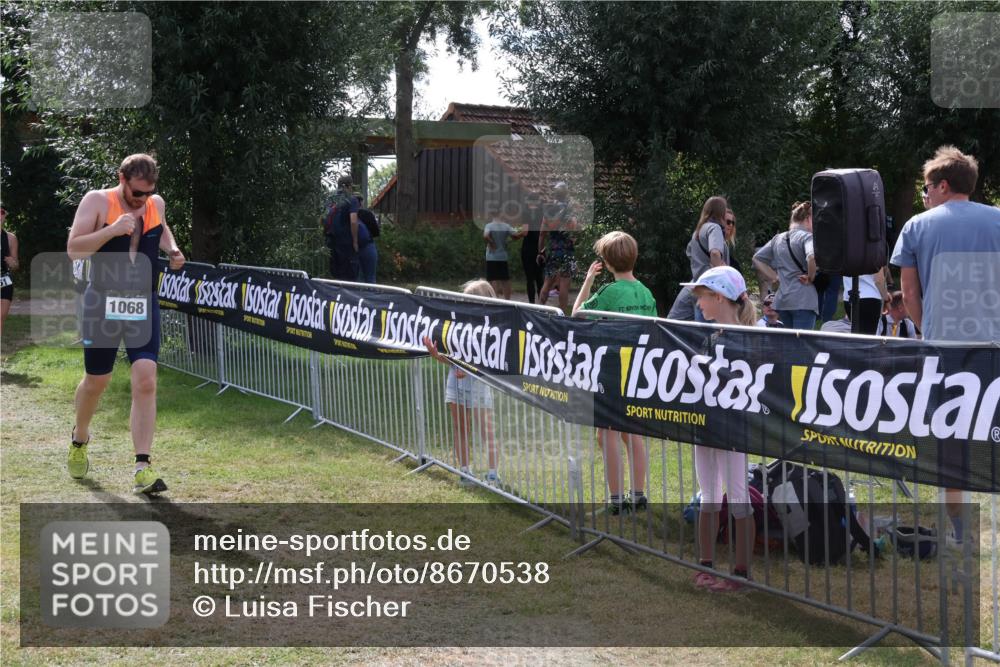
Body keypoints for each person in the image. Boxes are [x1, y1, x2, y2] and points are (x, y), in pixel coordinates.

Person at [890, 145, 1000, 546]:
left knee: (951, 443)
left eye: (926, 188)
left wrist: (925, 328)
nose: (924, 195)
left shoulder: (917, 226)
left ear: (942, 185)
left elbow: (908, 291)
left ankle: (963, 532)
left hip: (943, 349)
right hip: (995, 346)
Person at [65, 153, 185, 494]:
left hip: (142, 301)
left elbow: (163, 232)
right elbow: (74, 249)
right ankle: (79, 438)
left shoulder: (154, 203)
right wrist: (113, 230)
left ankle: (142, 467)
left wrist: (174, 250)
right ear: (122, 179)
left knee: (146, 379)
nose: (142, 200)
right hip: (102, 301)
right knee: (96, 381)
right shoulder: (97, 201)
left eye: (148, 193)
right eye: (136, 193)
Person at [679, 265, 757, 591]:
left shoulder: (752, 337)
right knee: (708, 495)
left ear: (719, 297)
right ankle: (705, 566)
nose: (698, 304)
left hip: (734, 431)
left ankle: (741, 573)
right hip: (706, 426)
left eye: (702, 297)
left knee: (738, 496)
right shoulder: (707, 338)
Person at [572, 231, 655, 514]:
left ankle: (617, 500)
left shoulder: (608, 292)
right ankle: (638, 495)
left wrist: (587, 281)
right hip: (639, 371)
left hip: (611, 372)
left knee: (607, 433)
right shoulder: (646, 292)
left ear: (607, 262)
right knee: (631, 433)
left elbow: (576, 314)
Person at [422, 280, 500, 486]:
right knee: (460, 427)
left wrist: (467, 369)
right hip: (454, 382)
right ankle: (465, 470)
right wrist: (436, 354)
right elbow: (451, 358)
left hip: (479, 383)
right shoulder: (459, 325)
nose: (465, 305)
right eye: (464, 301)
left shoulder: (493, 328)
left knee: (486, 429)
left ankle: (493, 473)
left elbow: (491, 359)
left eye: (470, 301)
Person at [753, 201, 818, 330]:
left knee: (790, 344)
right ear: (808, 219)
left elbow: (757, 259)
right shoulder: (807, 237)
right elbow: (811, 257)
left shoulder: (777, 239)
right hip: (803, 299)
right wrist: (811, 277)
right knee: (802, 345)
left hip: (783, 300)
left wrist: (775, 276)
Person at [668, 199, 735, 322]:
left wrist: (700, 265)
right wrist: (719, 271)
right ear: (720, 211)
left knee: (702, 329)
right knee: (708, 330)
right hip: (710, 288)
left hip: (699, 284)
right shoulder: (715, 228)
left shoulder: (699, 231)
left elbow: (689, 252)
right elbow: (715, 252)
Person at [537, 182, 580, 313]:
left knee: (547, 282)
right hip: (567, 252)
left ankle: (540, 310)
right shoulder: (570, 211)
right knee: (564, 285)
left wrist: (540, 251)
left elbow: (542, 234)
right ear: (566, 193)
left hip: (553, 251)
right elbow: (574, 231)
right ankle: (561, 315)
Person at [326, 175, 360, 281]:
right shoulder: (351, 199)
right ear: (347, 186)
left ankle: (336, 296)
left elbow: (322, 218)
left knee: (336, 273)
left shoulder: (330, 199)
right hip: (346, 242)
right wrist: (355, 241)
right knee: (349, 274)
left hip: (330, 240)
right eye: (351, 187)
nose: (351, 189)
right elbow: (353, 221)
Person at [483, 215, 526, 300]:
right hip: (502, 256)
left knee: (493, 279)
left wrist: (491, 242)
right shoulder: (506, 226)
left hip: (491, 256)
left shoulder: (489, 225)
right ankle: (507, 300)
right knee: (505, 279)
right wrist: (523, 233)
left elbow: (485, 236)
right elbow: (515, 235)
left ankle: (495, 299)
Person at [841, 270, 889, 335]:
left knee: (856, 334)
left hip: (849, 297)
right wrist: (886, 298)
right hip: (870, 297)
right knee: (867, 338)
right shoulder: (875, 258)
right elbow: (879, 280)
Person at [519, 194, 545, 304]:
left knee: (530, 279)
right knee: (540, 278)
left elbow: (525, 232)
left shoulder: (525, 213)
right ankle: (541, 304)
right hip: (540, 248)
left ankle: (532, 303)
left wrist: (517, 233)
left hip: (528, 248)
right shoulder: (542, 213)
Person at [1, 206, 19, 333]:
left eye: (1, 212)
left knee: (0, 317)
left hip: (4, 279)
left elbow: (16, 264)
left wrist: (13, 263)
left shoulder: (11, 238)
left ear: (5, 215)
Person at [354, 196, 378, 284]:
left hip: (352, 249)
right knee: (370, 277)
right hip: (368, 246)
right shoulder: (367, 214)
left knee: (357, 278)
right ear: (361, 203)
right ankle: (370, 296)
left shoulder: (346, 215)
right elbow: (376, 232)